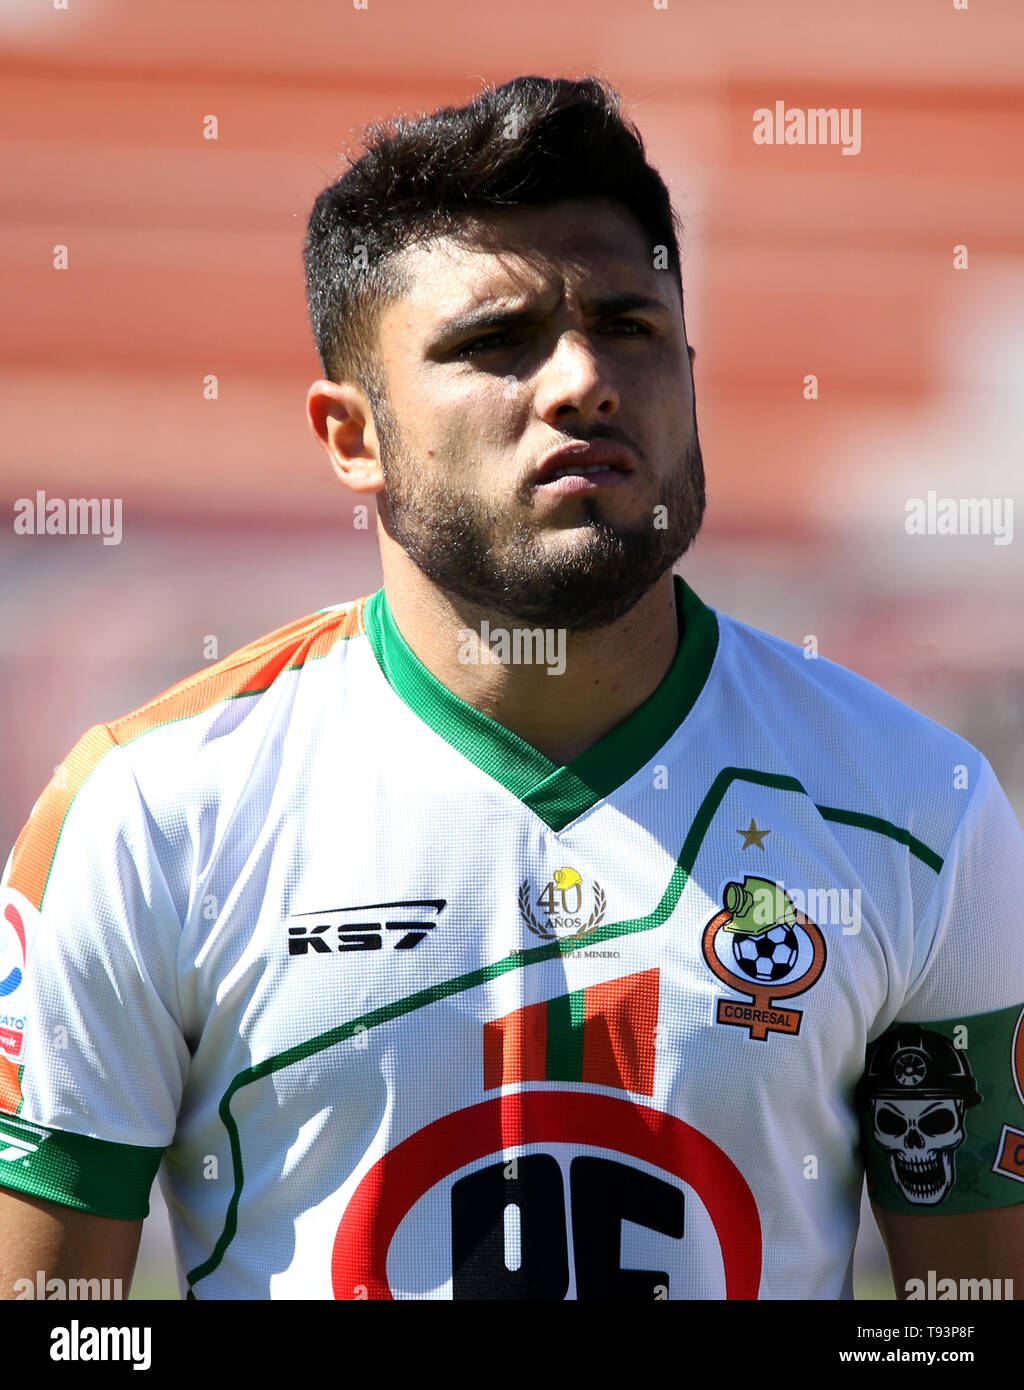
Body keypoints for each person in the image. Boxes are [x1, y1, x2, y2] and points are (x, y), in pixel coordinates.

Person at [1, 74, 1022, 1301]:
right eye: (497, 341)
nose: (581, 378)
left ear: (690, 380)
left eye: (628, 326)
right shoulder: (152, 812)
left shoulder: (919, 807)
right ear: (351, 435)